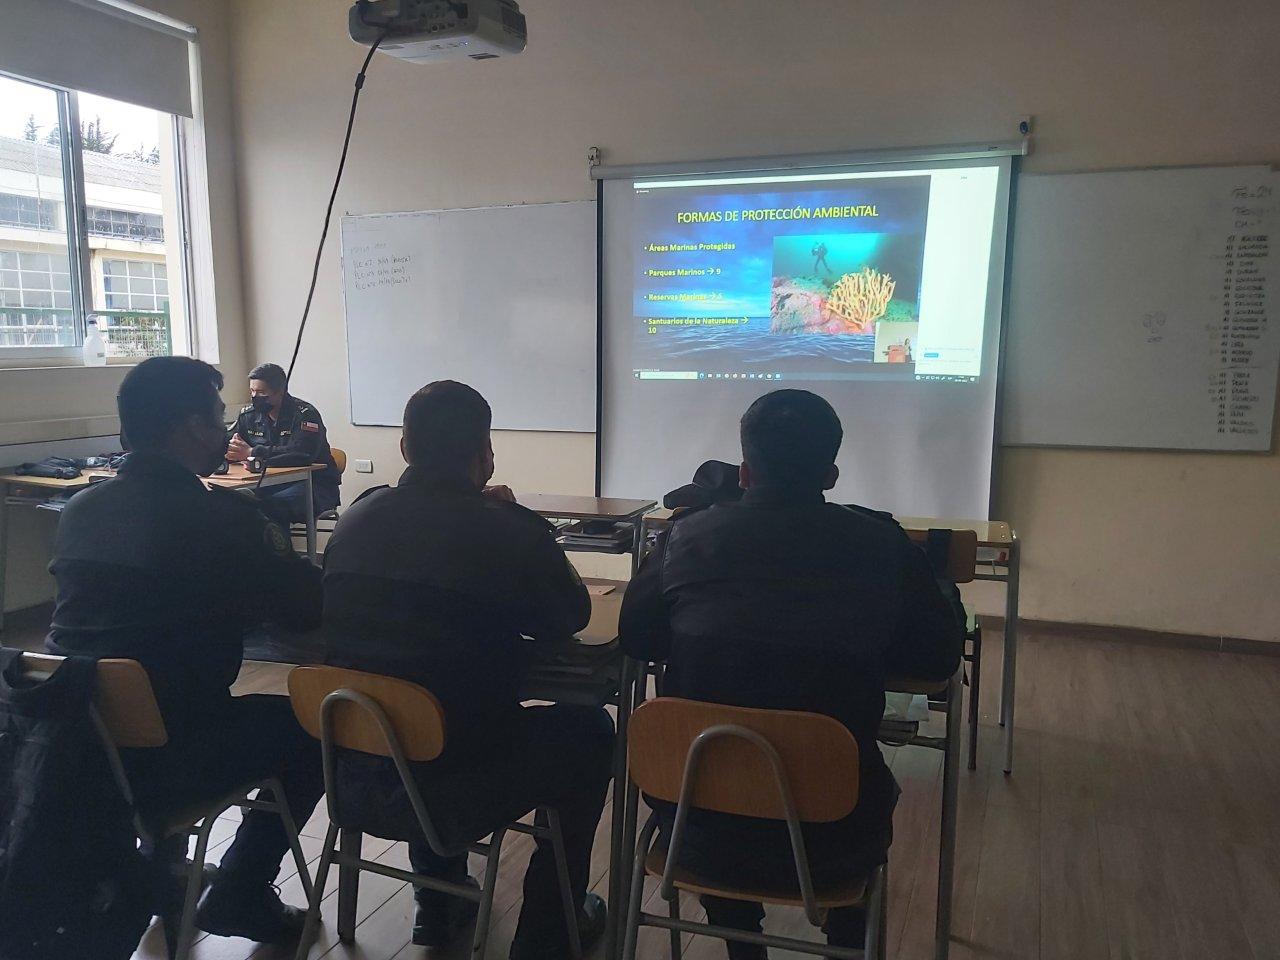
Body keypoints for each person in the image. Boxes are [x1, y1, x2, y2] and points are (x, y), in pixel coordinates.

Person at [619, 389, 962, 959]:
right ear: (831, 474)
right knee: (859, 786)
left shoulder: (685, 537)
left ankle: (741, 945)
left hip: (694, 827)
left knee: (721, 768)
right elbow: (936, 659)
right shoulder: (881, 543)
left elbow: (637, 638)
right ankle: (847, 941)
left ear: (744, 471)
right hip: (835, 837)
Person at [321, 380, 612, 959]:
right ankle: (548, 935)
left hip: (358, 768)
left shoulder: (355, 518)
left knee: (417, 702)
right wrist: (513, 517)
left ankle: (437, 903)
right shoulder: (507, 529)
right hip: (462, 778)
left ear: (404, 447)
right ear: (486, 453)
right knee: (589, 730)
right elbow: (569, 617)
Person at [45, 356, 325, 945]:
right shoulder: (221, 517)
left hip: (74, 748)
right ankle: (242, 891)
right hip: (169, 759)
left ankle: (165, 870)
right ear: (193, 427)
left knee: (154, 680)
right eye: (219, 417)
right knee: (308, 726)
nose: (225, 429)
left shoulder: (79, 512)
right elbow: (304, 610)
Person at [225, 362, 341, 524]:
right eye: (252, 391)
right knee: (232, 502)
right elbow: (231, 444)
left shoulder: (305, 415)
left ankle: (275, 542)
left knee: (270, 507)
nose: (255, 397)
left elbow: (302, 454)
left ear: (280, 391)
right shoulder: (248, 415)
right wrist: (228, 451)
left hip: (313, 485)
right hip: (267, 483)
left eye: (261, 392)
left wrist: (252, 453)